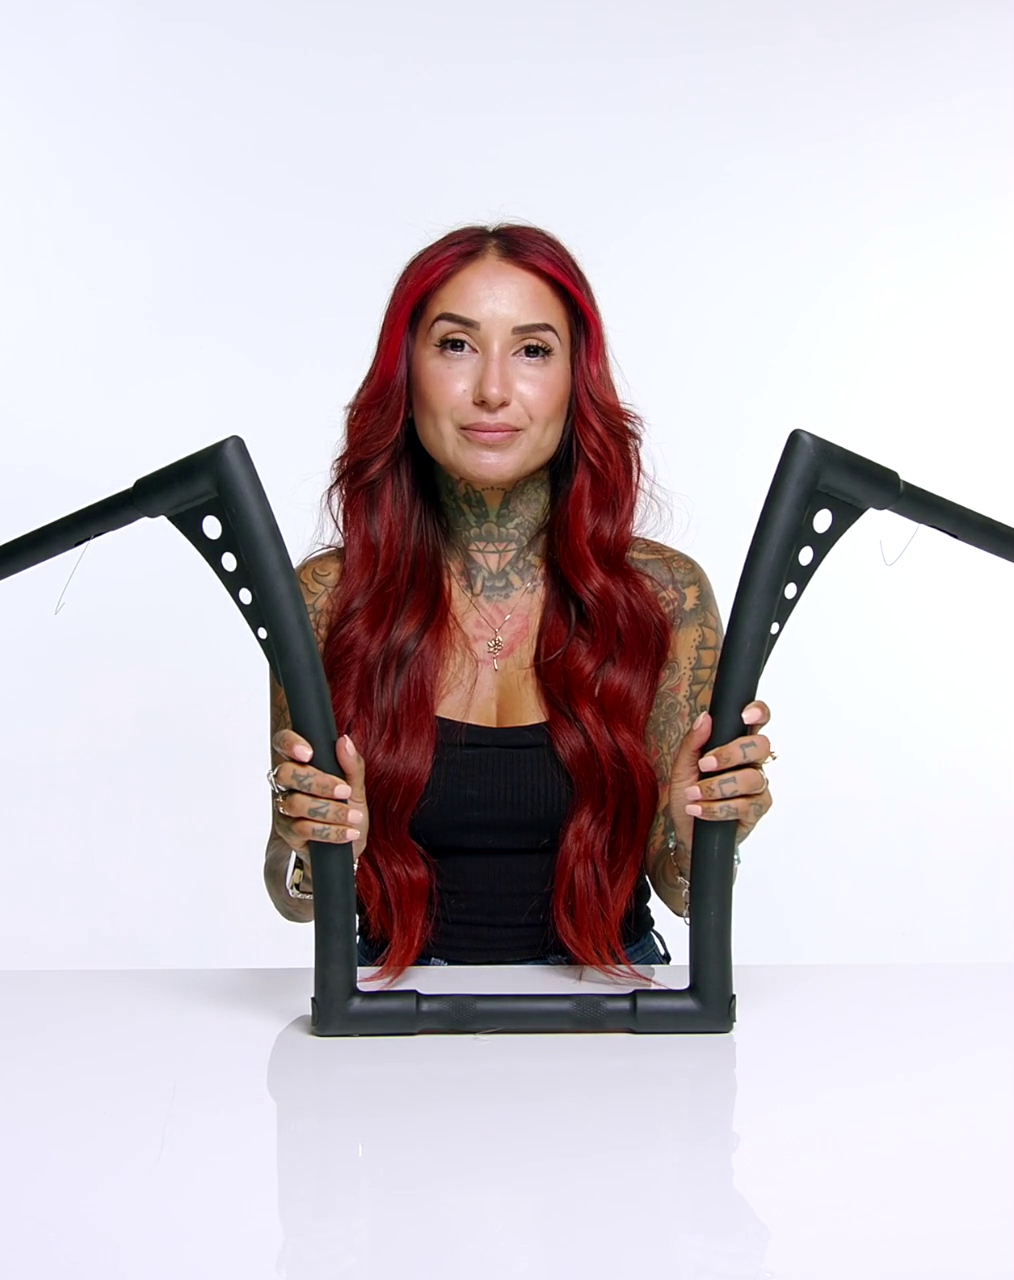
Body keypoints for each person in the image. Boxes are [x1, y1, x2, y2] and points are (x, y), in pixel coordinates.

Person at [262, 224, 773, 981]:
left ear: (576, 381)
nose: (493, 389)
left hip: (608, 1003)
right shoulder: (330, 599)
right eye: (456, 345)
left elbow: (680, 890)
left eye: (532, 350)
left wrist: (704, 837)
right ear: (406, 375)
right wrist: (315, 847)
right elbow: (290, 891)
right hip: (396, 1002)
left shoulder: (665, 598)